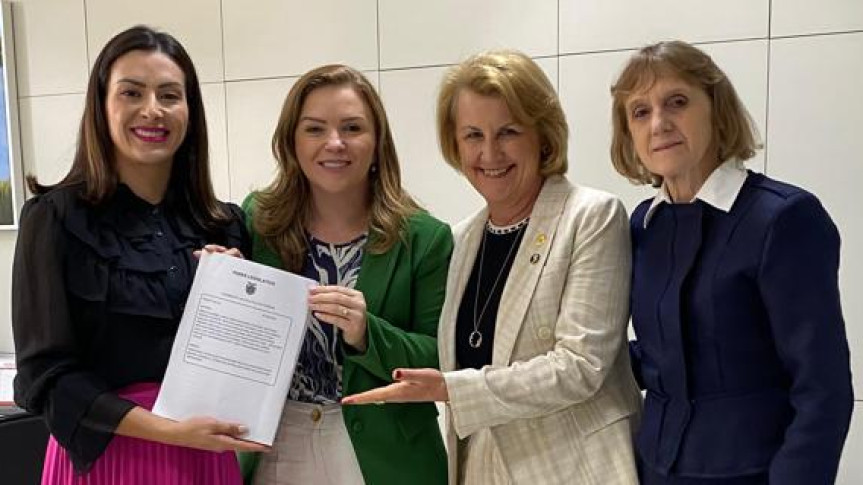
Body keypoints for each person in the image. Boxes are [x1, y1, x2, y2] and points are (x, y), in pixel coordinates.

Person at [343, 50, 642, 485]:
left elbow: (581, 366)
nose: (489, 152)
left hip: (573, 470)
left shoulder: (591, 216)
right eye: (472, 135)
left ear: (542, 134)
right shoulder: (462, 238)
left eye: (508, 131)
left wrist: (451, 388)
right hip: (479, 467)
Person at [11, 26, 267, 484]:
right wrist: (166, 430)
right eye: (132, 92)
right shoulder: (53, 218)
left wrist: (242, 298)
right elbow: (44, 377)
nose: (152, 110)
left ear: (190, 111)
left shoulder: (222, 223)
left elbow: (246, 367)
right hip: (107, 454)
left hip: (203, 454)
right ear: (101, 106)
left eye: (170, 95)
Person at [609, 40, 853, 485]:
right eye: (640, 112)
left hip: (754, 472)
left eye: (676, 102)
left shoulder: (783, 218)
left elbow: (823, 389)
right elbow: (662, 355)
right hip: (652, 468)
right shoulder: (645, 224)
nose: (659, 123)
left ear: (715, 109)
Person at [240, 64, 452, 485]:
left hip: (386, 451)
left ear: (377, 143)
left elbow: (441, 358)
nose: (334, 143)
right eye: (315, 129)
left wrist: (367, 334)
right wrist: (217, 275)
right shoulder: (257, 221)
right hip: (278, 439)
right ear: (292, 141)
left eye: (352, 127)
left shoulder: (425, 238)